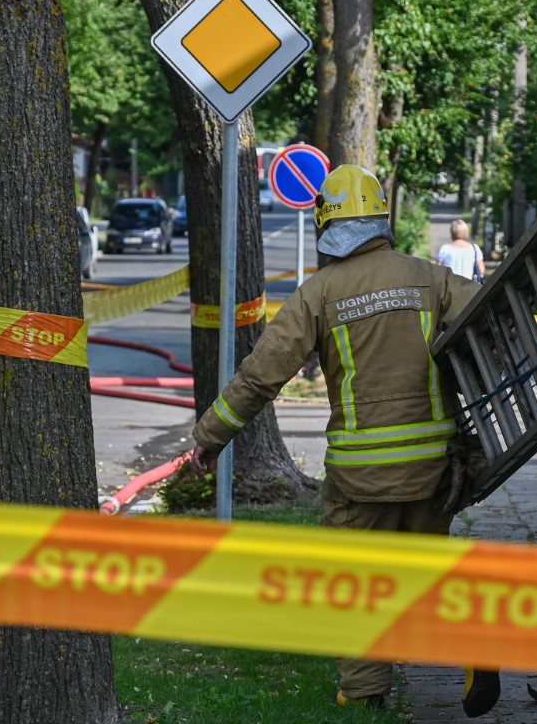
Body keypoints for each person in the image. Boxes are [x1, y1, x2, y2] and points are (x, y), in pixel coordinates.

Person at [190, 164, 499, 716]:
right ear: (381, 217)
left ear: (327, 223)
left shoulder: (318, 293)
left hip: (361, 474)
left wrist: (211, 437)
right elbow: (492, 319)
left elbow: (261, 376)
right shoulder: (430, 278)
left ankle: (364, 694)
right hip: (434, 464)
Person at [436, 219, 486, 283]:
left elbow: (438, 271)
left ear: (452, 232)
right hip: (470, 285)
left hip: (450, 285)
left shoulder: (445, 249)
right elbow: (482, 270)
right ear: (466, 232)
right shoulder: (474, 248)